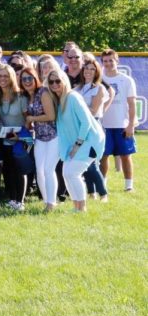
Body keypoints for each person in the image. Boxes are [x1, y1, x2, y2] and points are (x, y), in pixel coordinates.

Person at [50, 71, 105, 212]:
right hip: (74, 143)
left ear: (64, 81)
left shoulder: (73, 97)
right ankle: (76, 207)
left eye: (58, 81)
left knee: (73, 173)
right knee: (66, 173)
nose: (54, 84)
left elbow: (86, 122)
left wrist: (77, 144)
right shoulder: (58, 100)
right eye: (51, 82)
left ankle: (82, 208)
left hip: (89, 141)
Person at [22, 66, 60, 212]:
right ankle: (46, 201)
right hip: (39, 137)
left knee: (48, 169)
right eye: (24, 79)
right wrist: (27, 121)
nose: (27, 81)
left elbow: (51, 116)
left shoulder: (43, 92)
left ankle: (51, 203)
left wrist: (32, 118)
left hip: (53, 136)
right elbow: (28, 120)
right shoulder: (26, 96)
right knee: (39, 171)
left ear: (35, 78)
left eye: (30, 78)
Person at [99, 49, 137, 191]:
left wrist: (131, 125)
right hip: (103, 125)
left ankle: (129, 186)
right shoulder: (99, 79)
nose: (108, 63)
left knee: (126, 156)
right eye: (105, 61)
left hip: (122, 124)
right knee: (103, 156)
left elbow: (132, 105)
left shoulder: (126, 80)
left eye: (111, 60)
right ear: (102, 63)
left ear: (117, 61)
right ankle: (102, 185)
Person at [0, 64, 29, 209]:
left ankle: (20, 201)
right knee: (8, 169)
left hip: (20, 138)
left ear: (12, 78)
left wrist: (20, 136)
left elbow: (28, 119)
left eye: (6, 76)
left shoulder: (21, 96)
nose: (3, 79)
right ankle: (12, 199)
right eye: (0, 76)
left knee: (19, 169)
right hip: (5, 137)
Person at [75, 56, 110, 200]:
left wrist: (78, 108)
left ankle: (103, 194)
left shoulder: (100, 88)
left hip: (93, 127)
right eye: (86, 68)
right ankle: (91, 193)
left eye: (92, 69)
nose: (88, 71)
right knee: (84, 161)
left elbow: (94, 110)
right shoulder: (78, 88)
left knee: (91, 162)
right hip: (80, 127)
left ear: (97, 72)